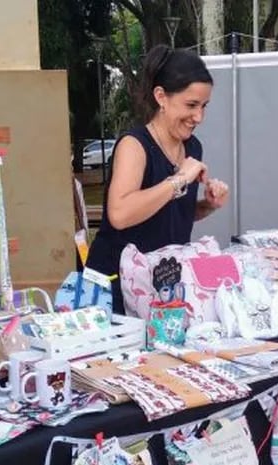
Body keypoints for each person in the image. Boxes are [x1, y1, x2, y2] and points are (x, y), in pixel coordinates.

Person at [85, 45, 229, 315]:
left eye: (203, 106)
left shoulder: (192, 148)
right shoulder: (134, 146)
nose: (198, 117)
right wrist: (179, 179)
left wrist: (206, 205)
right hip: (115, 290)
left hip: (161, 284)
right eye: (191, 105)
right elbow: (120, 214)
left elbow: (168, 213)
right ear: (161, 97)